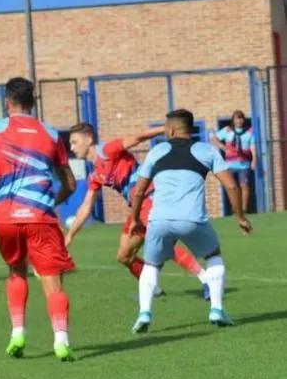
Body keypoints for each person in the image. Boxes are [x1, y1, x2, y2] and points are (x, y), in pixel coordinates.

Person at [0, 77, 78, 362]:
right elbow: (70, 184)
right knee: (53, 285)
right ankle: (61, 340)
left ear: (7, 102)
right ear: (33, 102)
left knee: (16, 272)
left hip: (7, 218)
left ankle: (17, 333)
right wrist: (51, 203)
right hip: (41, 218)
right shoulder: (50, 133)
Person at [129, 109, 252, 334]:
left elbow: (138, 192)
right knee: (213, 256)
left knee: (151, 265)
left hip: (159, 220)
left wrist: (136, 219)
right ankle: (216, 309)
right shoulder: (206, 150)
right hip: (192, 220)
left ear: (171, 129)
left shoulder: (156, 152)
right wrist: (240, 217)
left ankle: (144, 313)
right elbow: (232, 186)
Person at [65, 122, 211, 299]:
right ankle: (153, 289)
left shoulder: (108, 150)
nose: (71, 148)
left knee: (164, 244)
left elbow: (138, 136)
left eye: (74, 142)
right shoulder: (95, 174)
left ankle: (207, 279)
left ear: (89, 139)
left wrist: (166, 129)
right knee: (124, 255)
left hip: (150, 197)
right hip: (137, 207)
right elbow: (86, 206)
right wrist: (70, 235)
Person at [210, 110, 255, 217]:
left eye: (241, 118)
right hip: (230, 165)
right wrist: (223, 147)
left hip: (244, 164)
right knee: (232, 187)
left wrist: (254, 160)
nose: (239, 121)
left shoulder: (249, 132)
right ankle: (235, 208)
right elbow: (213, 138)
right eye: (236, 118)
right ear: (233, 120)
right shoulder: (227, 130)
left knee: (244, 185)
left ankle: (243, 209)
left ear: (243, 120)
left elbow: (253, 147)